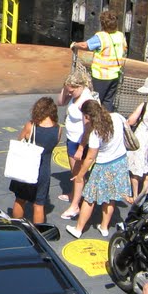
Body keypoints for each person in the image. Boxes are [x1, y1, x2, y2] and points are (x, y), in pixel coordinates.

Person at [65, 100, 132, 238]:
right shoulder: (117, 117)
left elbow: (90, 158)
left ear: (88, 116)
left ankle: (78, 229)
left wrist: (79, 175)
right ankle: (104, 227)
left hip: (103, 166)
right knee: (111, 197)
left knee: (90, 198)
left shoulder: (96, 133)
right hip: (120, 161)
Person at [9, 97, 61, 224]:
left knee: (20, 200)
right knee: (39, 205)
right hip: (44, 170)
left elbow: (19, 141)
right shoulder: (58, 129)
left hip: (28, 168)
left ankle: (18, 227)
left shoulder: (31, 126)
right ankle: (38, 234)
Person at [57, 70, 97, 219]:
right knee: (74, 172)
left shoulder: (86, 101)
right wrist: (65, 89)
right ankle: (73, 194)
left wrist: (81, 148)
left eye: (72, 90)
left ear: (80, 86)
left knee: (78, 174)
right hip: (72, 138)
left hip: (80, 142)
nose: (70, 92)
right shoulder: (75, 95)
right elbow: (60, 102)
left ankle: (75, 206)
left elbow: (88, 127)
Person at [70, 9, 127, 111]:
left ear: (102, 24)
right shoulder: (120, 35)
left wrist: (74, 44)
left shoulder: (101, 37)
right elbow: (124, 48)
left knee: (96, 100)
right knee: (108, 101)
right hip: (115, 74)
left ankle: (94, 122)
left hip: (101, 76)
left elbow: (85, 45)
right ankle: (106, 122)